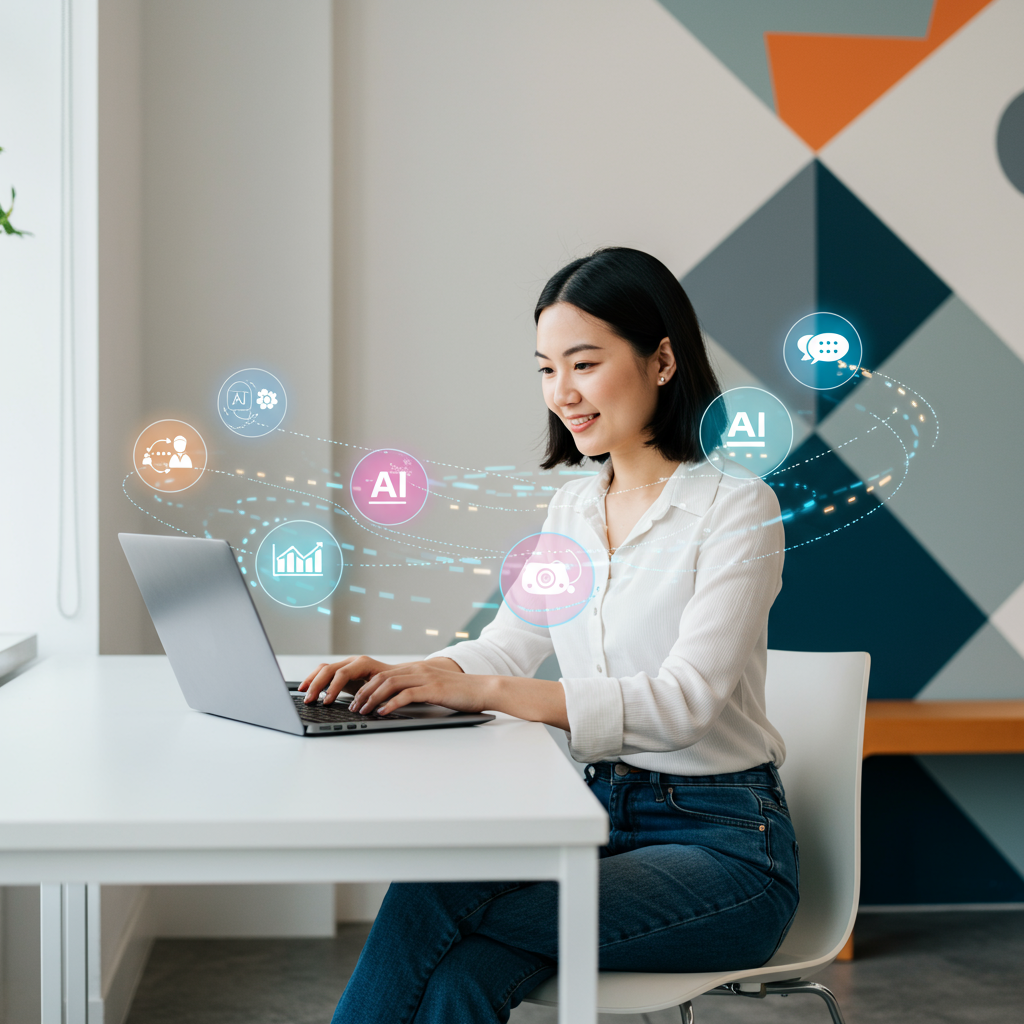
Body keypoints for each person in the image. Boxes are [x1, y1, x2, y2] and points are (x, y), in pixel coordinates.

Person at [300, 247, 798, 1023]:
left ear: (662, 359)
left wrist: (485, 690)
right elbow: (503, 646)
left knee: (436, 893)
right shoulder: (572, 509)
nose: (561, 393)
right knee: (467, 972)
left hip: (726, 848)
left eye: (585, 364)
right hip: (596, 819)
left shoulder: (737, 506)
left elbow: (685, 704)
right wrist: (409, 674)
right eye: (544, 368)